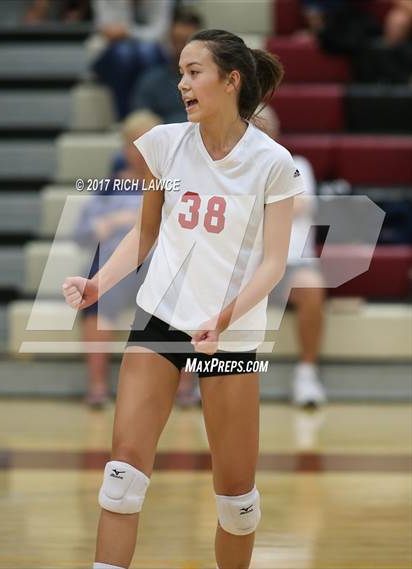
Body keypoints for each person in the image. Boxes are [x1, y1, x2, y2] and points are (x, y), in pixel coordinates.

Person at [63, 29, 304, 569]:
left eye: (194, 72)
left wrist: (224, 319)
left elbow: (273, 263)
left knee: (237, 502)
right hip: (161, 317)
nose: (182, 84)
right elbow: (146, 232)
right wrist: (99, 283)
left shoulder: (272, 162)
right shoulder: (165, 143)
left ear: (231, 80)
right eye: (180, 73)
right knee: (121, 478)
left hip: (228, 334)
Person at [73, 111, 161, 407]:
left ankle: (184, 387)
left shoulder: (172, 186)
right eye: (133, 144)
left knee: (185, 294)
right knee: (96, 295)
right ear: (124, 148)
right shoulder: (109, 187)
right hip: (117, 269)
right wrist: (107, 223)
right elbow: (82, 233)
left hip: (157, 265)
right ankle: (97, 386)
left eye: (146, 144)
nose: (139, 152)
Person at [255, 106, 327, 407]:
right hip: (246, 266)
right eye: (253, 125)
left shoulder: (297, 164)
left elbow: (298, 205)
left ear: (277, 130)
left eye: (265, 126)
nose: (260, 131)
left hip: (291, 265)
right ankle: (204, 374)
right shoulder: (233, 168)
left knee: (311, 287)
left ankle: (306, 375)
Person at [90, 0, 176, 119]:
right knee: (124, 53)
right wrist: (130, 33)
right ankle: (125, 117)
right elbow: (105, 28)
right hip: (113, 49)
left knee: (147, 52)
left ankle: (149, 113)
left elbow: (160, 31)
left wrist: (128, 31)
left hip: (152, 47)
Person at [133, 8, 203, 123]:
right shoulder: (151, 80)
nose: (181, 49)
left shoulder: (212, 80)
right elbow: (140, 119)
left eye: (186, 42)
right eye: (177, 41)